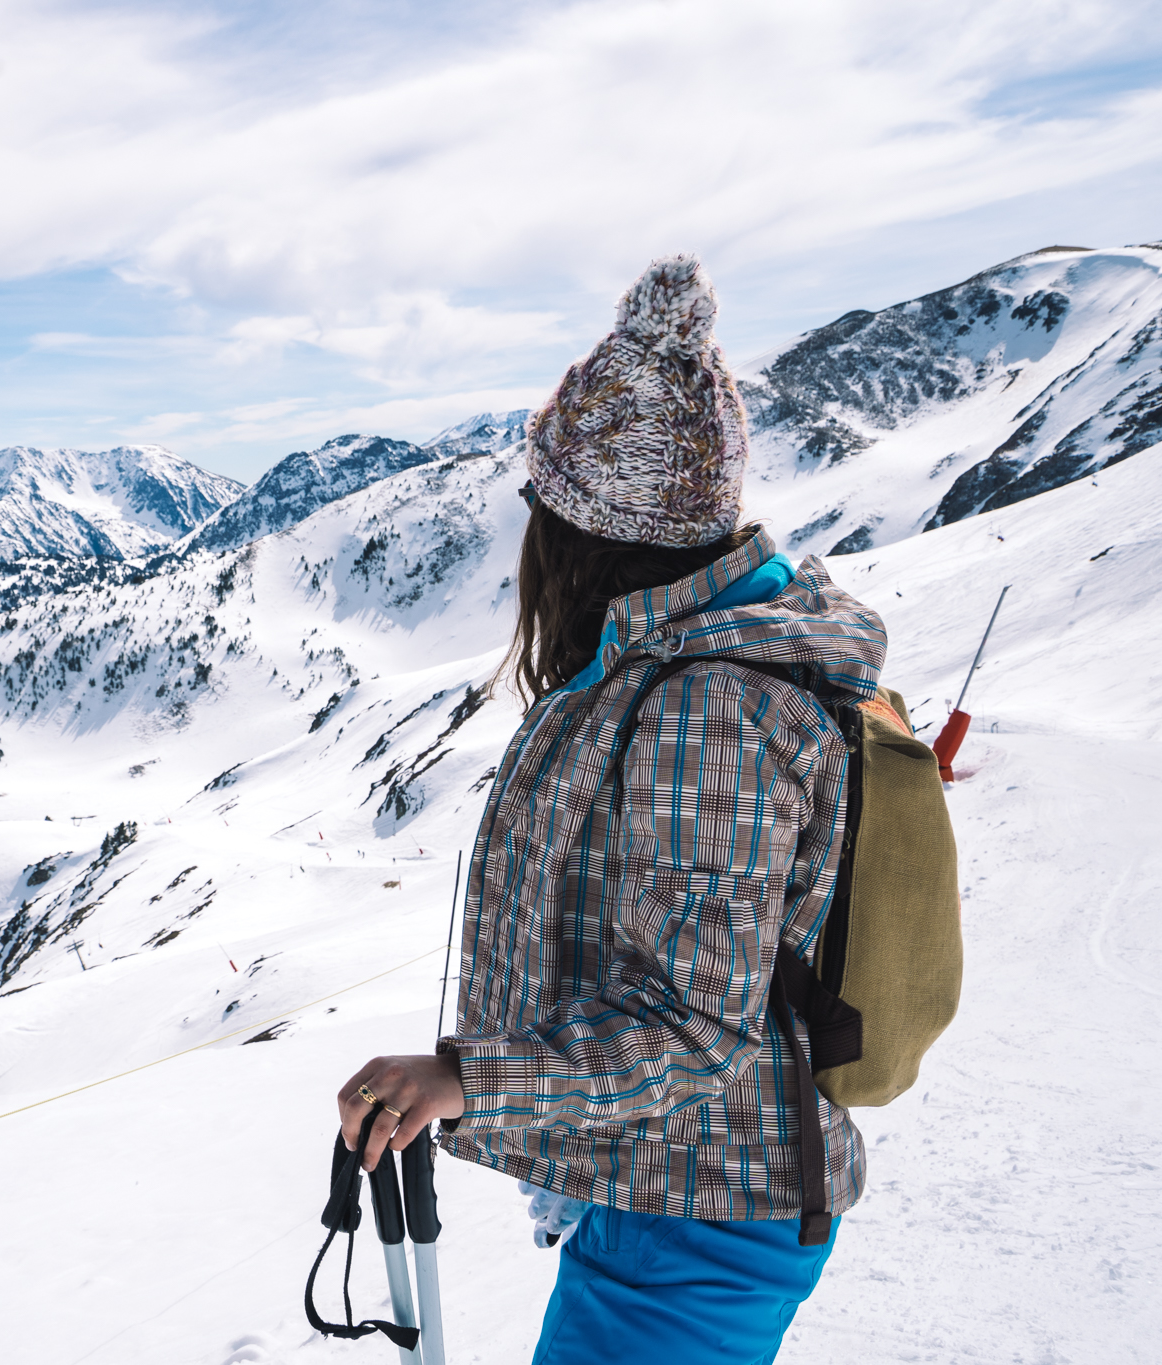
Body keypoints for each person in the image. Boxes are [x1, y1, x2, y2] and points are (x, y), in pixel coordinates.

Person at [337, 254, 886, 1364]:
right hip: (677, 1195)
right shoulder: (680, 663)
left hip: (698, 1216)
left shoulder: (708, 712)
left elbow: (693, 1027)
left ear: (589, 531)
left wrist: (464, 1081)